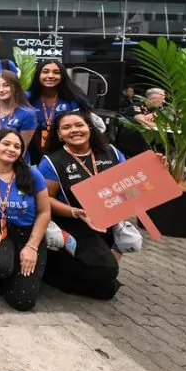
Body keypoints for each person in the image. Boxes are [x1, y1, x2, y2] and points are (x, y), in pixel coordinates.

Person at [37, 111, 125, 300]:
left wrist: (157, 167)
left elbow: (129, 182)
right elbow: (45, 199)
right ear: (59, 135)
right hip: (72, 221)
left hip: (105, 219)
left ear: (89, 128)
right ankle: (49, 265)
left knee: (106, 291)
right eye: (66, 127)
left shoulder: (112, 152)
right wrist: (75, 212)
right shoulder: (52, 162)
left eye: (79, 125)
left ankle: (77, 269)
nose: (74, 130)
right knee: (107, 271)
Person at [0, 130, 50, 311]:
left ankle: (16, 273)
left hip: (28, 233)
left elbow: (44, 212)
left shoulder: (32, 174)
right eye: (6, 144)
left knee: (23, 302)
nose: (11, 149)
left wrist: (32, 247)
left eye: (17, 146)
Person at [28, 59, 96, 164]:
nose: (50, 76)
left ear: (63, 76)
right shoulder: (29, 99)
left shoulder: (74, 99)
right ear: (38, 75)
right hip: (34, 153)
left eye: (56, 72)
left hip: (67, 151)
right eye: (45, 72)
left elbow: (84, 127)